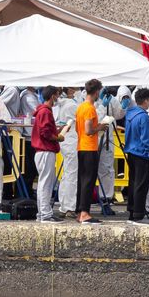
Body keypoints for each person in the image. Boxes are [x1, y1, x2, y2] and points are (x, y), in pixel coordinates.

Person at [76, 79, 110, 224]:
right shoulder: (90, 108)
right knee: (88, 181)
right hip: (89, 147)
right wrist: (100, 127)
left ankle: (80, 211)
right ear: (96, 92)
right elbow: (89, 129)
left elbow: (80, 129)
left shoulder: (80, 107)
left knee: (82, 180)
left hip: (81, 146)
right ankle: (84, 212)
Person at [124, 88, 149, 224]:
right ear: (145, 101)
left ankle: (132, 211)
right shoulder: (145, 118)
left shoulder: (130, 115)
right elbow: (148, 141)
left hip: (131, 152)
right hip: (142, 154)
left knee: (133, 183)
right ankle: (139, 213)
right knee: (141, 185)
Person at [32, 86, 65, 223]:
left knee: (43, 183)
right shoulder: (46, 111)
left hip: (41, 151)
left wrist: (57, 131)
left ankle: (42, 213)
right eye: (57, 95)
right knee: (46, 183)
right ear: (52, 96)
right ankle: (45, 214)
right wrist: (58, 137)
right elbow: (45, 133)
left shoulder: (41, 111)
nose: (57, 98)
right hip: (46, 150)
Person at [96, 86, 127, 215]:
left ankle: (106, 200)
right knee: (87, 172)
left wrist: (123, 106)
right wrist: (102, 105)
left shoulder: (111, 97)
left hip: (107, 138)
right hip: (94, 137)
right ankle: (82, 204)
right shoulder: (86, 97)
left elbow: (118, 114)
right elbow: (95, 118)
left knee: (107, 170)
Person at [55, 87, 80, 218]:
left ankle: (64, 205)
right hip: (71, 141)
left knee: (66, 174)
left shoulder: (61, 104)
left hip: (66, 141)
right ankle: (70, 207)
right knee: (71, 175)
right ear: (71, 90)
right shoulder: (71, 105)